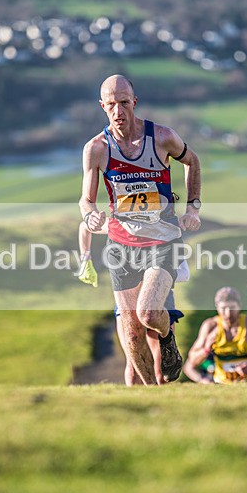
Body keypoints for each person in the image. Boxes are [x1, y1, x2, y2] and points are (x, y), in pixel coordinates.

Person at [79, 74, 201, 385]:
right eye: (110, 105)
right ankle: (152, 396)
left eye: (123, 102)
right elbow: (86, 201)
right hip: (121, 246)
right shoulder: (96, 148)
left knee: (148, 313)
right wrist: (91, 215)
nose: (118, 111)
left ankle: (167, 338)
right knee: (131, 332)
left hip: (163, 242)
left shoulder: (161, 137)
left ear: (135, 101)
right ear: (102, 107)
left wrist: (193, 207)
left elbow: (192, 161)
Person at [76, 221, 190, 385]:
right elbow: (84, 226)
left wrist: (152, 278)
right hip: (127, 300)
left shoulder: (167, 230)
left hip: (160, 301)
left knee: (161, 369)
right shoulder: (122, 225)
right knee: (132, 363)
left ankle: (161, 403)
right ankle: (138, 401)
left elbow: (184, 273)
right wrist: (85, 261)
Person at [184, 287, 247, 384]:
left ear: (239, 306)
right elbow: (191, 362)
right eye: (223, 308)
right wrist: (206, 350)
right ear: (217, 307)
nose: (228, 313)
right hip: (222, 384)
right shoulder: (210, 327)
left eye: (232, 307)